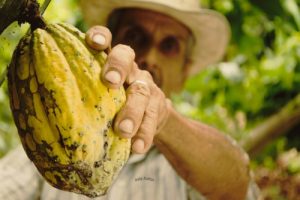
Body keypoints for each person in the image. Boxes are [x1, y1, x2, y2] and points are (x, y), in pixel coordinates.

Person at [0, 0, 260, 199]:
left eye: (169, 45)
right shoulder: (46, 139)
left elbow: (237, 184)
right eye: (136, 36)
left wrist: (164, 121)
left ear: (185, 71)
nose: (150, 57)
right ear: (106, 44)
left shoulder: (192, 164)